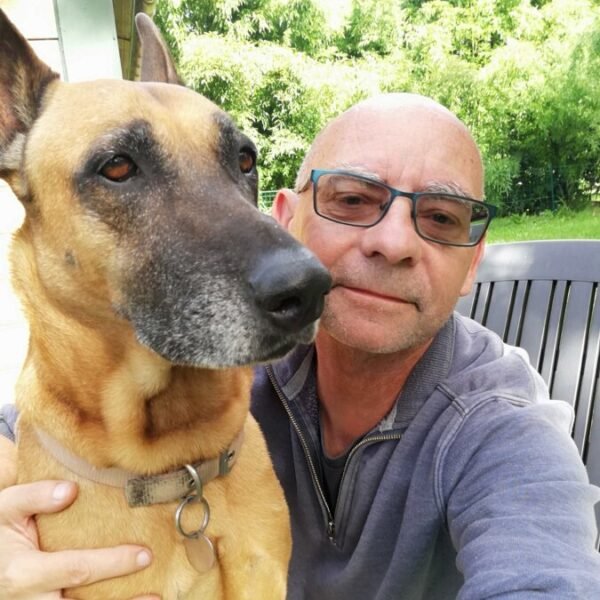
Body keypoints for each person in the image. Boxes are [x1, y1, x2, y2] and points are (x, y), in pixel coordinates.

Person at [1, 93, 599, 599]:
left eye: (441, 218)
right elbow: (24, 423)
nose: (394, 243)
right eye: (353, 199)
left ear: (472, 265)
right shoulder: (229, 356)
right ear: (287, 218)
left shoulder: (501, 432)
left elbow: (547, 573)